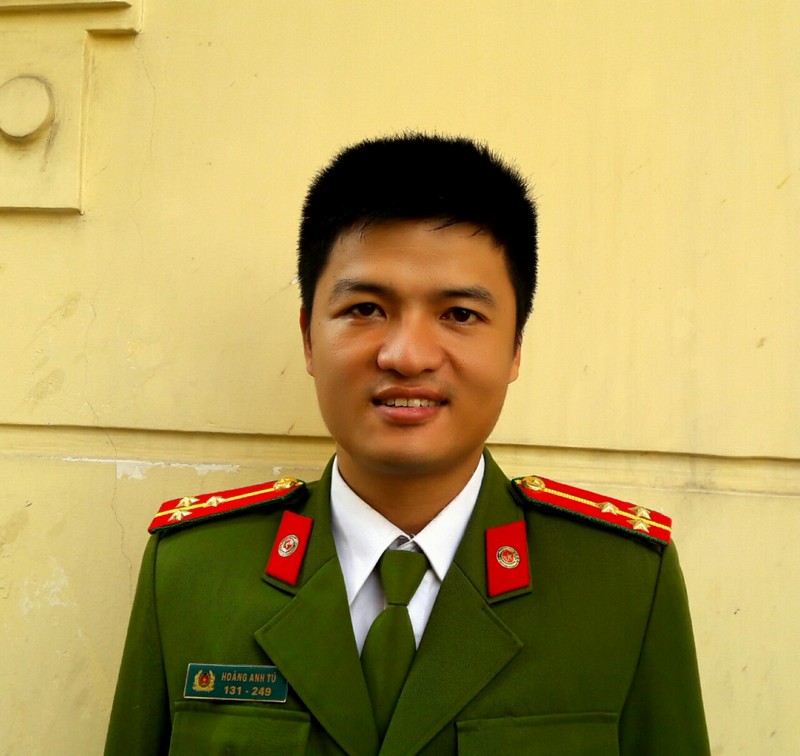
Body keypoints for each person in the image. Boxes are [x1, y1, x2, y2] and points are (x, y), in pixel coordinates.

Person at [105, 134, 710, 755]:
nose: (407, 355)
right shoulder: (193, 572)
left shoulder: (621, 585)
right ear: (309, 339)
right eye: (366, 308)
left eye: (460, 315)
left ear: (515, 348)